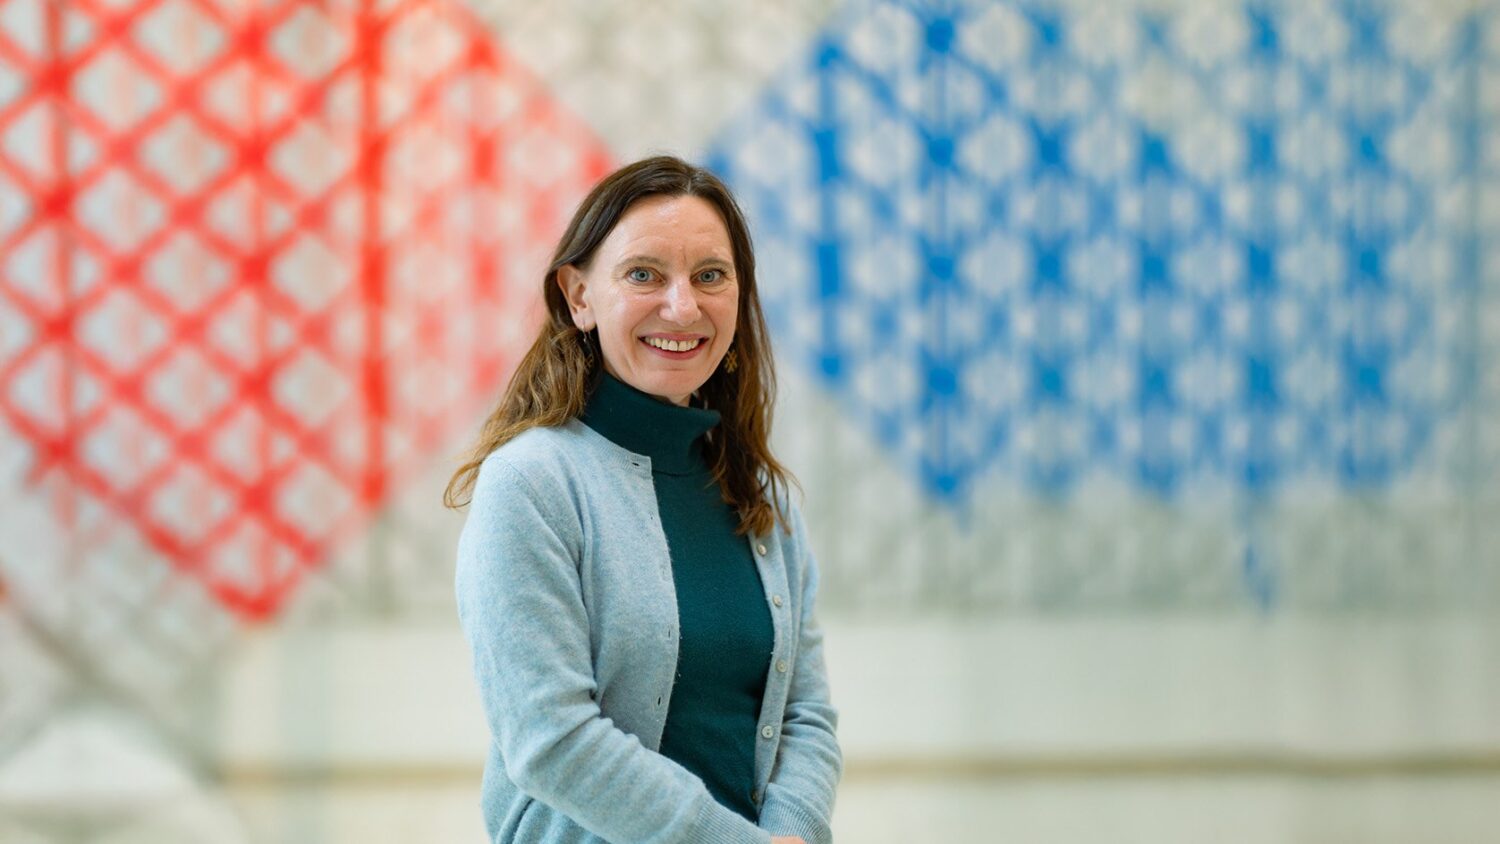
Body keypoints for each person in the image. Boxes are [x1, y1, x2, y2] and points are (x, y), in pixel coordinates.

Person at [445, 156, 842, 844]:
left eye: (710, 276)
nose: (682, 306)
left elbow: (807, 714)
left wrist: (794, 833)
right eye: (644, 274)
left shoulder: (762, 496)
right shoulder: (531, 485)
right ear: (578, 296)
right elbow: (552, 739)